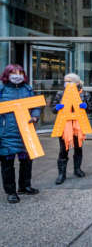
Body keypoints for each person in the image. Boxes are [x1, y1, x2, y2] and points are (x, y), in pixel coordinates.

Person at [0, 64, 41, 203]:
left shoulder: (27, 89)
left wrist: (35, 116)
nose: (17, 75)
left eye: (20, 73)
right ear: (7, 74)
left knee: (27, 161)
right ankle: (11, 192)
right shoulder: (2, 89)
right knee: (7, 164)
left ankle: (25, 186)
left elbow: (35, 106)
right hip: (6, 133)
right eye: (14, 73)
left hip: (26, 132)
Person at [51, 73, 92, 185]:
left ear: (77, 82)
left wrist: (86, 106)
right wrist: (57, 107)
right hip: (64, 125)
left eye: (70, 81)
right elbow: (53, 109)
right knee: (63, 150)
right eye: (66, 81)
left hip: (78, 126)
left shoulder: (84, 94)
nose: (67, 83)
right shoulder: (60, 94)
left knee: (78, 148)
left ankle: (77, 169)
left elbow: (91, 109)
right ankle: (61, 174)